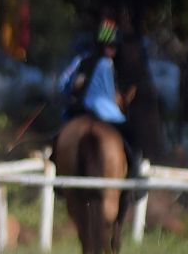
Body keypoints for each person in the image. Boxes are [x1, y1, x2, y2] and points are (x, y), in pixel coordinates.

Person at [58, 18, 141, 173]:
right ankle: (135, 171)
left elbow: (65, 84)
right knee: (132, 134)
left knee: (61, 131)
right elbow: (110, 94)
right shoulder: (107, 64)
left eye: (114, 47)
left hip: (81, 107)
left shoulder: (82, 61)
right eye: (110, 46)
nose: (112, 50)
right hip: (103, 107)